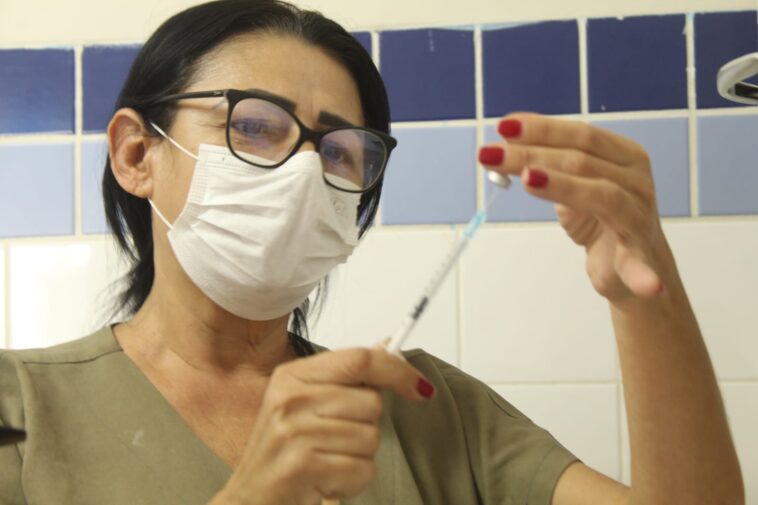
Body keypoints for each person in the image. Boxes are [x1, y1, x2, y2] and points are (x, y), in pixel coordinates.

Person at [0, 0, 744, 504]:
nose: (303, 171)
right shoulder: (19, 407)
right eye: (254, 126)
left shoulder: (426, 410)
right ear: (137, 154)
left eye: (340, 150)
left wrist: (644, 289)